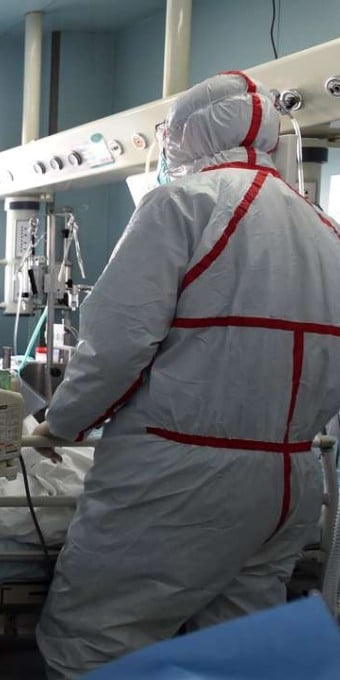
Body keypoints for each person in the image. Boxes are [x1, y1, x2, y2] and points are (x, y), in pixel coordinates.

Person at [34, 71, 340, 678]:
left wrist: (59, 425)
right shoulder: (325, 231)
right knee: (237, 655)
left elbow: (118, 345)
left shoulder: (183, 204)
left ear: (187, 135)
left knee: (93, 641)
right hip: (289, 478)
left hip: (181, 480)